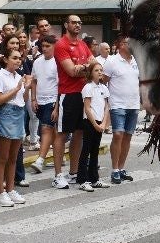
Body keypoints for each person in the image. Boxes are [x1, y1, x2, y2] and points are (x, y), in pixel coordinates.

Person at [54, 15, 94, 189]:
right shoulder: (61, 44)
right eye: (74, 22)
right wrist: (86, 67)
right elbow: (71, 71)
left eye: (79, 23)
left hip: (83, 93)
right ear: (66, 25)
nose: (77, 25)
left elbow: (95, 65)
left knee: (79, 133)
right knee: (62, 134)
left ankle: (73, 172)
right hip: (68, 94)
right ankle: (57, 175)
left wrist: (82, 68)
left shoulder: (83, 44)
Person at [0, 49, 31, 208]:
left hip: (19, 113)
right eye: (14, 58)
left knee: (14, 156)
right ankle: (0, 191)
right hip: (6, 113)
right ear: (6, 59)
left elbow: (23, 99)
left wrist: (26, 88)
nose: (18, 61)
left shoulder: (18, 76)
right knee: (2, 156)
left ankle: (10, 188)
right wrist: (16, 89)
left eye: (20, 58)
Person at [104, 36, 140, 184]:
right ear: (119, 45)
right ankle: (114, 170)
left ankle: (121, 168)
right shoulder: (112, 61)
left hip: (133, 104)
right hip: (117, 103)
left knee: (128, 136)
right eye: (127, 43)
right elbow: (103, 81)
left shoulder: (135, 61)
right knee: (118, 134)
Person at [77, 62, 112, 191]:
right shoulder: (88, 87)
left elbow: (107, 107)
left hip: (100, 122)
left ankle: (94, 179)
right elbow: (87, 108)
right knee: (86, 150)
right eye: (96, 70)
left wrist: (103, 123)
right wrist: (95, 124)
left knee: (95, 150)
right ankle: (82, 179)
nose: (99, 72)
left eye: (101, 70)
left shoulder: (104, 88)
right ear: (91, 72)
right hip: (90, 122)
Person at [29, 36, 59, 176]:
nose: (45, 48)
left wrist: (57, 105)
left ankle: (40, 160)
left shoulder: (58, 62)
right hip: (39, 100)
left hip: (52, 100)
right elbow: (34, 81)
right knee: (51, 130)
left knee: (45, 129)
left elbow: (60, 85)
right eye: (43, 46)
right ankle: (58, 155)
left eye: (48, 46)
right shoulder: (37, 62)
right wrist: (33, 99)